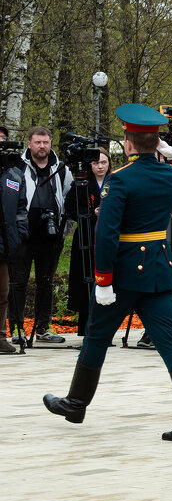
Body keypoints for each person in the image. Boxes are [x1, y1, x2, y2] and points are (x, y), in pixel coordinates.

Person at [43, 104, 172, 440]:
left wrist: (103, 281)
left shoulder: (120, 180)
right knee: (168, 340)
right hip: (159, 270)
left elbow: (106, 234)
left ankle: (76, 403)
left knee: (97, 336)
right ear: (155, 142)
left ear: (129, 144)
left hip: (122, 275)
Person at [9, 127, 71, 344]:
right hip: (23, 234)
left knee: (46, 282)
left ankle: (43, 328)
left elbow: (69, 198)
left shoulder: (61, 168)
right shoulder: (17, 166)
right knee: (18, 282)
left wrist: (64, 228)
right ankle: (17, 330)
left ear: (50, 143)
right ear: (29, 143)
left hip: (51, 235)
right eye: (38, 142)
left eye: (45, 142)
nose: (42, 146)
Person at [64, 148, 109, 339]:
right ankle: (84, 327)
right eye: (96, 163)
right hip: (85, 235)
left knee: (106, 280)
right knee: (85, 280)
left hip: (108, 237)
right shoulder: (81, 183)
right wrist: (91, 214)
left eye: (104, 162)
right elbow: (70, 208)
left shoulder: (115, 182)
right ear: (90, 165)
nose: (100, 166)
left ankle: (105, 328)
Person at [0, 147, 29, 353]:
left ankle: (0, 337)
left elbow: (21, 208)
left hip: (5, 244)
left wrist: (19, 234)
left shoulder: (15, 175)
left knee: (3, 293)